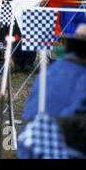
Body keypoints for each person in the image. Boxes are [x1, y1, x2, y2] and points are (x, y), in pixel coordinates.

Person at [18, 23, 86, 158]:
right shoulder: (82, 77)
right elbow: (71, 123)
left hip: (27, 145)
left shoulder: (50, 71)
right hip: (61, 148)